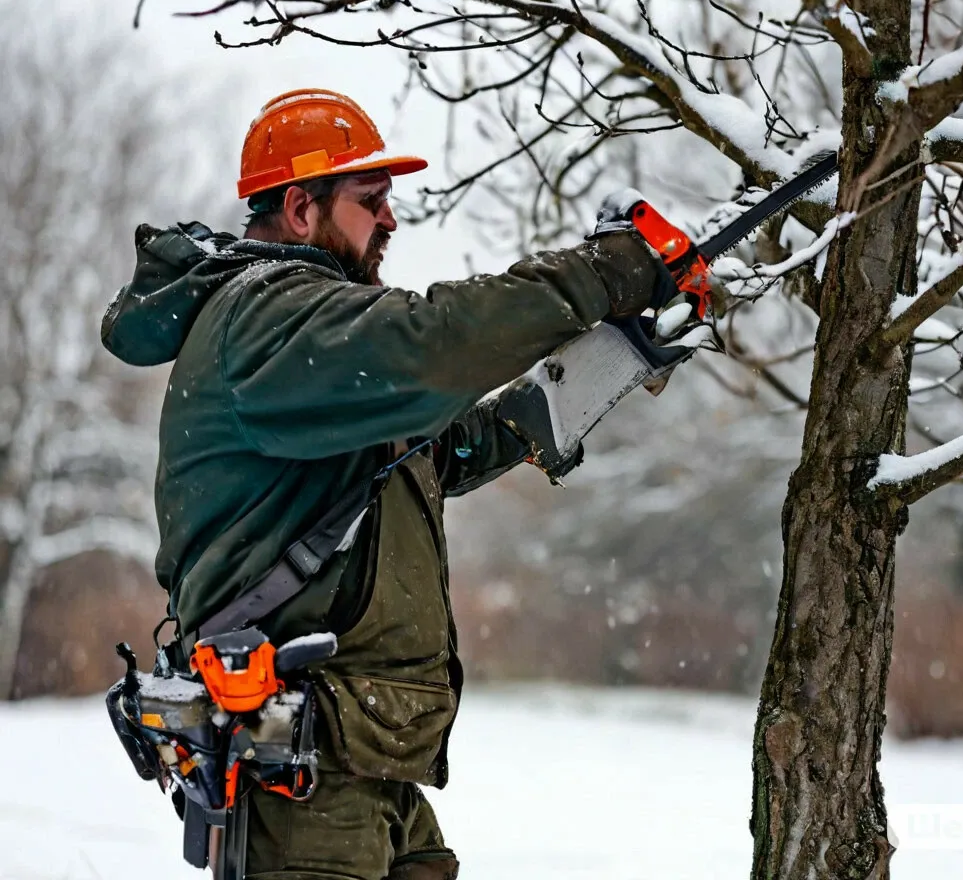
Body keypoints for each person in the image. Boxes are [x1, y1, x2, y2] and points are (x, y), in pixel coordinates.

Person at [101, 89, 670, 879]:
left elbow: (444, 453)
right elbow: (435, 343)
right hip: (305, 781)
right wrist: (614, 272)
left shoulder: (321, 354)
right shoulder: (267, 315)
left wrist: (621, 354)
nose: (391, 220)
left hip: (363, 760)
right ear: (301, 208)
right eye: (371, 201)